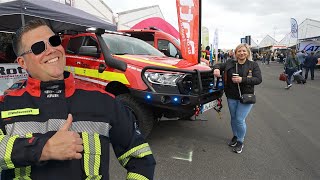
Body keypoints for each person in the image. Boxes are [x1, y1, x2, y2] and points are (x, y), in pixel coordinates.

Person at [0, 19, 155, 179]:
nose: (51, 50)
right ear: (22, 62)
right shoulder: (6, 105)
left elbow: (141, 158)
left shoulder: (102, 101)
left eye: (54, 41)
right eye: (38, 48)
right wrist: (44, 149)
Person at [213, 43, 262, 154]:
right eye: (239, 51)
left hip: (246, 96)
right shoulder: (230, 63)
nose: (241, 53)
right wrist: (216, 69)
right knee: (234, 118)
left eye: (244, 51)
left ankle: (240, 141)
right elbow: (219, 65)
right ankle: (235, 136)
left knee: (240, 119)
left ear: (248, 52)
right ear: (235, 53)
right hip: (231, 95)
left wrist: (242, 79)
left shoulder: (253, 65)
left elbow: (258, 79)